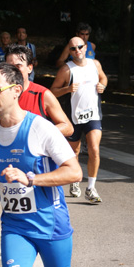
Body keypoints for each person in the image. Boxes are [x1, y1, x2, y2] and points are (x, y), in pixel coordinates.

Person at [0, 63, 91, 267]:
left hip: (50, 223)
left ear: (16, 90)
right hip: (15, 226)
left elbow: (74, 171)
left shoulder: (41, 128)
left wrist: (31, 179)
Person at [51, 36, 107, 204]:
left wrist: (103, 85)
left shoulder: (95, 64)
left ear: (85, 47)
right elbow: (52, 91)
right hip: (74, 117)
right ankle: (75, 182)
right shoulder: (66, 70)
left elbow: (103, 78)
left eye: (80, 47)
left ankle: (91, 188)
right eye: (73, 48)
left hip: (93, 115)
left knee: (94, 149)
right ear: (70, 51)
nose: (77, 51)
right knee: (74, 153)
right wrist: (67, 89)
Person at [5, 44, 73, 137]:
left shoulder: (42, 94)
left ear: (30, 68)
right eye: (9, 67)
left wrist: (37, 133)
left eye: (18, 66)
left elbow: (68, 127)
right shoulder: (2, 94)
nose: (13, 71)